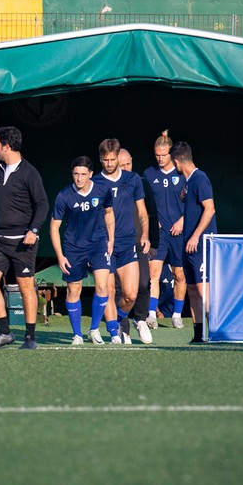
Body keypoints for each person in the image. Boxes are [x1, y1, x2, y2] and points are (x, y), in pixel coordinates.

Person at [0, 126, 49, 350]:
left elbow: (42, 204)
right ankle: (4, 333)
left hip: (23, 241)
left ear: (7, 147)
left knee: (25, 287)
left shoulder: (30, 173)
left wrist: (34, 230)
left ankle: (30, 337)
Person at [49, 156, 114, 345]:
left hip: (98, 243)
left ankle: (94, 330)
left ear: (91, 174)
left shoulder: (103, 190)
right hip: (73, 247)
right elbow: (54, 227)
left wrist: (111, 239)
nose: (79, 178)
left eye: (83, 174)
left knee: (103, 286)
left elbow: (109, 213)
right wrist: (60, 256)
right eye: (76, 174)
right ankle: (77, 334)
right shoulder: (64, 195)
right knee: (74, 289)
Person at [92, 139, 151, 344]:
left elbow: (142, 212)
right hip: (104, 245)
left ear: (118, 157)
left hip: (128, 243)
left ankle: (118, 320)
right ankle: (114, 332)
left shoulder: (133, 179)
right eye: (105, 160)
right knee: (108, 291)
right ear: (100, 159)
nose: (109, 163)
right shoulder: (95, 182)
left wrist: (145, 234)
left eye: (112, 159)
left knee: (131, 295)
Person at [170, 141, 217, 343]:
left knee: (202, 289)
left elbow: (210, 209)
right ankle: (199, 333)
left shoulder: (200, 178)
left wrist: (196, 235)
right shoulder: (189, 182)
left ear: (177, 161)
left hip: (201, 245)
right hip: (188, 245)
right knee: (191, 289)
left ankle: (216, 330)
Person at [143, 130, 187, 330]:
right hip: (159, 234)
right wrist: (154, 221)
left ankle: (177, 315)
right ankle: (152, 314)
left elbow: (193, 203)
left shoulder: (183, 174)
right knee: (153, 272)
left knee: (179, 274)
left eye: (164, 155)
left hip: (178, 233)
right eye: (157, 154)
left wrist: (182, 221)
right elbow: (144, 204)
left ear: (172, 154)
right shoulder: (149, 174)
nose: (160, 158)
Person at [117, 148, 160, 344]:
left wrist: (152, 241)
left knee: (144, 283)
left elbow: (151, 213)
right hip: (118, 244)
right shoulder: (108, 185)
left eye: (128, 164)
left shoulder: (141, 182)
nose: (125, 168)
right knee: (122, 289)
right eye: (121, 165)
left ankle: (140, 319)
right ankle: (122, 327)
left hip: (139, 241)